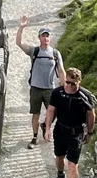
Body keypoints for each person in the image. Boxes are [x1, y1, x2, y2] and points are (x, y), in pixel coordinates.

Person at [44, 68, 97, 178]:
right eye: (67, 82)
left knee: (73, 164)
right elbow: (50, 110)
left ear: (79, 82)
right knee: (59, 157)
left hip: (76, 132)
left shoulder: (85, 96)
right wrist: (48, 128)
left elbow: (91, 114)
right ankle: (60, 176)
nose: (70, 86)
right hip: (60, 129)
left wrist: (90, 132)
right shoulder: (57, 93)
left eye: (73, 84)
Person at [15, 17, 65, 148]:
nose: (46, 38)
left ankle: (46, 127)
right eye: (43, 36)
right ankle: (35, 136)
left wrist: (64, 86)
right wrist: (21, 27)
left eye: (47, 36)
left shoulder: (55, 53)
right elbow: (19, 43)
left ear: (50, 38)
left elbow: (61, 70)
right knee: (35, 113)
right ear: (39, 38)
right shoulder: (34, 51)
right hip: (36, 88)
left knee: (54, 112)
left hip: (50, 89)